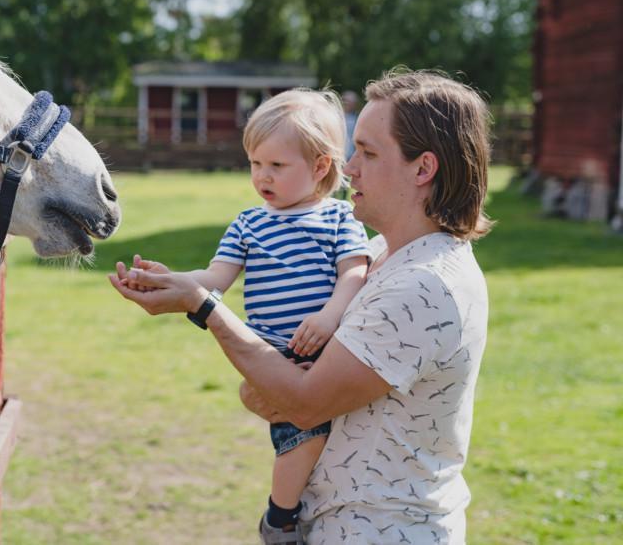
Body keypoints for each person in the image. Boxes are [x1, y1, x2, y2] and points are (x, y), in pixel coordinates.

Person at [109, 69, 491, 544]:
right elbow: (280, 394)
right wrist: (262, 387)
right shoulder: (381, 255)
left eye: (368, 153)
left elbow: (305, 403)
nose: (348, 169)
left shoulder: (423, 287)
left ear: (422, 169)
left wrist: (203, 307)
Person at [125, 88, 371, 542]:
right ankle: (280, 517)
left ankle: (284, 511)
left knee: (316, 436)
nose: (263, 176)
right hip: (268, 356)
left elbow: (353, 273)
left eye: (277, 166)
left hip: (324, 348)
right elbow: (215, 277)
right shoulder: (248, 223)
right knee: (302, 436)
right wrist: (168, 279)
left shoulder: (339, 219)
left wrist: (330, 317)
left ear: (319, 166)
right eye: (256, 164)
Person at [341, 90, 361, 162]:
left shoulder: (358, 118)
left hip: (352, 154)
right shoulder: (336, 117)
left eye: (349, 102)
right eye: (345, 101)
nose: (347, 104)